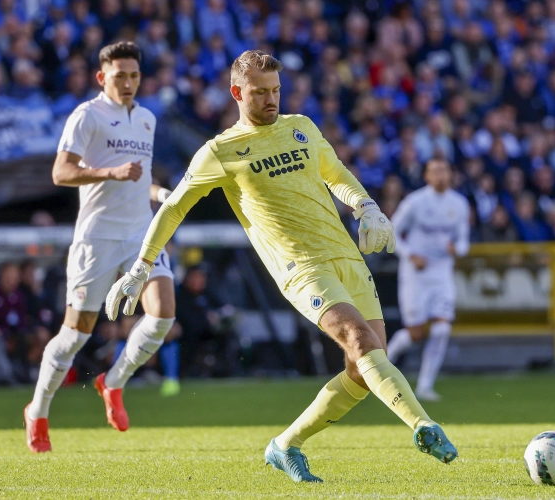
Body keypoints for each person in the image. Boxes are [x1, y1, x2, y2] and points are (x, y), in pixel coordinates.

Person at [106, 50, 458, 483]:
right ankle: (422, 424)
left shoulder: (302, 128)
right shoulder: (220, 151)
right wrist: (142, 266)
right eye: (260, 93)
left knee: (364, 370)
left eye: (275, 90)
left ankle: (285, 445)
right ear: (237, 92)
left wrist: (367, 207)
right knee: (359, 339)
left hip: (347, 257)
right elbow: (173, 209)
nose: (271, 100)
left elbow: (337, 173)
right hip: (302, 269)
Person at [24, 42, 177, 453]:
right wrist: (111, 171)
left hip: (140, 234)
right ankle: (37, 410)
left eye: (134, 76)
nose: (128, 83)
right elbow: (61, 172)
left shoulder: (145, 118)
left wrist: (161, 193)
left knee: (163, 314)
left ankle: (113, 383)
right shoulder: (86, 116)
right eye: (120, 75)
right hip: (96, 237)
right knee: (76, 336)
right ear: (102, 77)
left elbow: (138, 178)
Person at [385, 158, 471, 402]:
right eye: (435, 171)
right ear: (426, 176)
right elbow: (391, 232)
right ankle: (379, 368)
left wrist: (459, 250)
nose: (441, 175)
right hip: (415, 273)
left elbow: (463, 240)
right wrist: (411, 255)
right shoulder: (415, 202)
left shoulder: (460, 204)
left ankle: (425, 386)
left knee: (443, 328)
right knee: (415, 333)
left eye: (444, 170)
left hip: (442, 272)